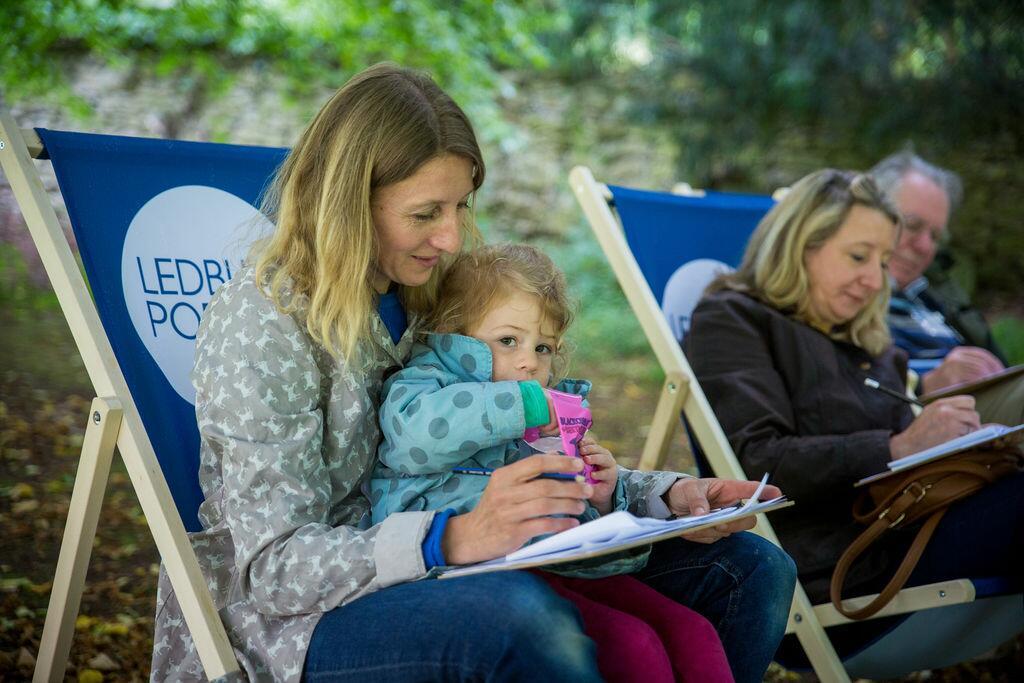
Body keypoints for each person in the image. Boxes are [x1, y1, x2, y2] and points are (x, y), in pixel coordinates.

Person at [149, 63, 796, 683]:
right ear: (348, 201)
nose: (454, 237)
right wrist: (450, 537)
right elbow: (275, 567)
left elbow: (493, 459)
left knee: (750, 570)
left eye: (460, 206)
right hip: (300, 623)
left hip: (461, 564)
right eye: (426, 213)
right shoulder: (265, 320)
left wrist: (660, 496)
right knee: (526, 620)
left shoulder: (430, 293)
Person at [685, 169, 1024, 654]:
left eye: (882, 260)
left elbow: (904, 464)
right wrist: (900, 445)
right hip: (847, 573)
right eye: (858, 256)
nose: (875, 280)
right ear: (801, 245)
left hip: (911, 530)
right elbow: (756, 462)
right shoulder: (734, 320)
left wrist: (965, 443)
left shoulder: (863, 338)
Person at [371, 243, 734, 683]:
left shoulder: (539, 421)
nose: (530, 362)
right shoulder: (422, 385)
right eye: (508, 340)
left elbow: (567, 509)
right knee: (633, 645)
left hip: (550, 560)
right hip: (460, 573)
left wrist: (599, 496)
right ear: (453, 334)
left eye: (544, 347)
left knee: (690, 632)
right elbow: (419, 438)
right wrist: (524, 403)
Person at [870, 151, 1008, 395]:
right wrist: (925, 384)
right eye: (912, 225)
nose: (924, 247)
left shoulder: (939, 295)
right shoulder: (844, 296)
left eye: (935, 236)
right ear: (867, 214)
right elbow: (846, 389)